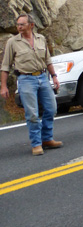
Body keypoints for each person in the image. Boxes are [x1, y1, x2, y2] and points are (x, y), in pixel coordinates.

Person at [1, 13, 63, 156]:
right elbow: (5, 66)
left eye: (22, 24)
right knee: (32, 114)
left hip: (42, 77)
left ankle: (47, 139)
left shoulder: (41, 39)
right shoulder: (12, 42)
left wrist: (54, 77)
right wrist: (3, 86)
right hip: (26, 80)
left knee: (51, 108)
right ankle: (36, 144)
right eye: (18, 24)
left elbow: (48, 60)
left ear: (31, 25)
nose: (19, 27)